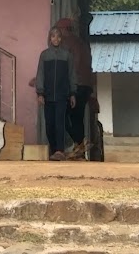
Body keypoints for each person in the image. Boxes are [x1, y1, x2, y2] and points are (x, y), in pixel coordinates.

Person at [53, 17, 94, 158]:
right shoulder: (82, 44)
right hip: (86, 85)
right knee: (77, 117)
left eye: (58, 30)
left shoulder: (69, 44)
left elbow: (72, 66)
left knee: (63, 115)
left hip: (76, 85)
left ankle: (80, 144)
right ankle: (80, 148)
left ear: (63, 30)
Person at [35, 25, 75, 161]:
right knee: (49, 124)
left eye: (58, 36)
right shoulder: (44, 55)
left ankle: (60, 151)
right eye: (53, 36)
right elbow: (40, 74)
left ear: (61, 39)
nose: (56, 38)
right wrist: (40, 93)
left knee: (60, 123)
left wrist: (72, 93)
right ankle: (53, 149)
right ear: (49, 38)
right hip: (47, 96)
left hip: (62, 95)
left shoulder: (67, 55)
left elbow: (71, 75)